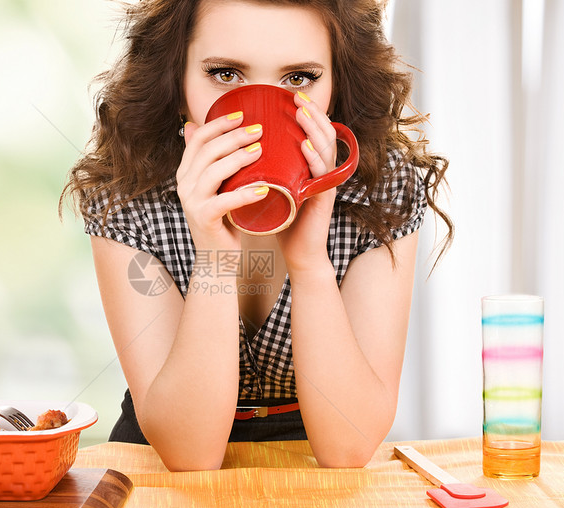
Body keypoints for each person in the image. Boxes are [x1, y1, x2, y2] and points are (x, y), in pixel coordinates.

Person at [63, 0, 452, 471]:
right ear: (177, 79)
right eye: (226, 73)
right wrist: (214, 258)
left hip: (313, 457)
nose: (260, 113)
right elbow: (190, 457)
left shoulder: (382, 186)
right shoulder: (125, 192)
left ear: (337, 84)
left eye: (300, 78)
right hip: (164, 463)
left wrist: (310, 262)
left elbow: (348, 449)